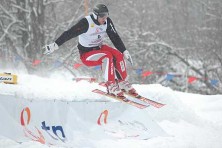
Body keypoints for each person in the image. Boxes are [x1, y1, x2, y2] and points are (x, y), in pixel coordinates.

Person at [43, 4, 137, 97]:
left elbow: (115, 37)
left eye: (106, 15)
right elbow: (70, 33)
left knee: (118, 55)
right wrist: (56, 44)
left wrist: (124, 50)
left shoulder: (107, 22)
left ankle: (122, 82)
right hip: (87, 54)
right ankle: (110, 85)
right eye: (102, 16)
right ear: (95, 15)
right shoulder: (86, 23)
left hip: (99, 48)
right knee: (107, 56)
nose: (104, 18)